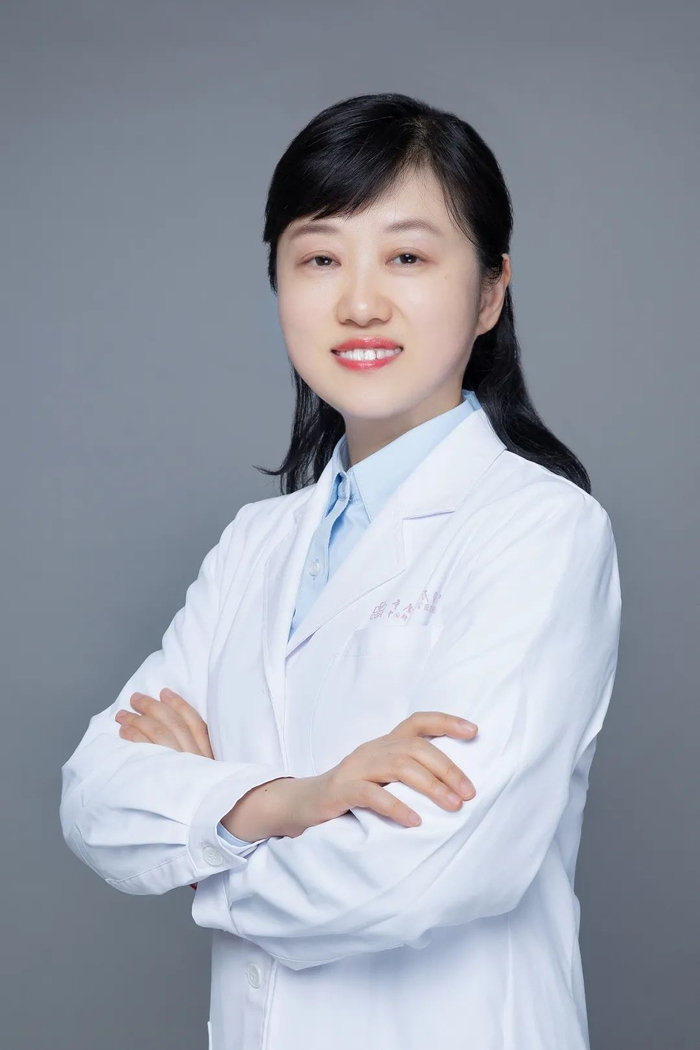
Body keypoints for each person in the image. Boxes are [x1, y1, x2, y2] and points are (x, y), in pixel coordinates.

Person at [60, 92, 622, 1050]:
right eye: (320, 258)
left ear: (490, 292)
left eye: (407, 257)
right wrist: (294, 801)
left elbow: (422, 875)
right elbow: (95, 797)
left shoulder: (541, 529)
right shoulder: (255, 543)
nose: (360, 302)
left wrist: (204, 850)